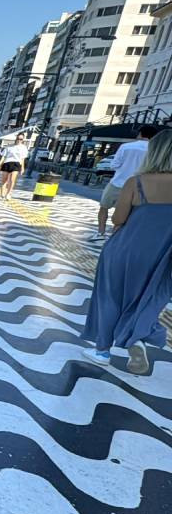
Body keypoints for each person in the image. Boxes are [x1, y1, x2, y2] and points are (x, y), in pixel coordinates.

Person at [81, 129, 172, 375]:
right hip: (164, 256)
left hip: (127, 248)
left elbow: (119, 218)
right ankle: (138, 337)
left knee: (110, 296)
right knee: (151, 298)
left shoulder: (137, 182)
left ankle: (102, 351)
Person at [93, 125, 157, 242]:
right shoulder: (154, 150)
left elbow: (114, 165)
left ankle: (100, 233)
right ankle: (114, 236)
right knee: (125, 213)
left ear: (140, 134)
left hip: (118, 183)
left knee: (104, 207)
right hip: (138, 187)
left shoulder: (126, 146)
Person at [0, 134, 29, 199]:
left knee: (12, 180)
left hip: (16, 164)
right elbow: (3, 157)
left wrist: (22, 168)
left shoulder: (24, 148)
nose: (19, 140)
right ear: (16, 138)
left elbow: (23, 159)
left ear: (23, 140)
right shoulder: (9, 146)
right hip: (7, 163)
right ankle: (2, 194)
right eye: (18, 138)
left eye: (21, 139)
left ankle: (8, 194)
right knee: (4, 180)